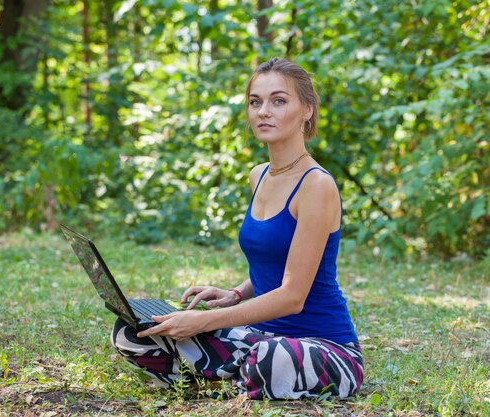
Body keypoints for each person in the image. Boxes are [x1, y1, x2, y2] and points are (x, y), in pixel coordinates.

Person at [110, 58, 364, 400]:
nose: (264, 112)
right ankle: (239, 381)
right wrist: (236, 293)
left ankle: (229, 381)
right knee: (132, 332)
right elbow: (277, 259)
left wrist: (202, 322)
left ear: (307, 110)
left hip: (325, 349)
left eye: (278, 101)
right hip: (256, 336)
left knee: (269, 359)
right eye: (255, 102)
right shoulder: (258, 175)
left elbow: (292, 296)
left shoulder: (316, 185)